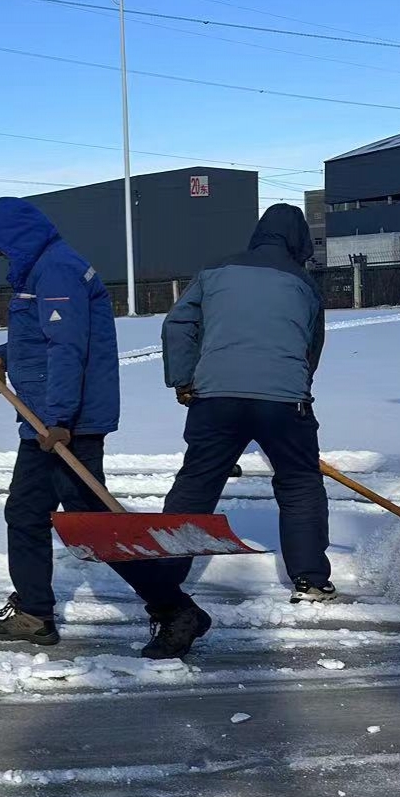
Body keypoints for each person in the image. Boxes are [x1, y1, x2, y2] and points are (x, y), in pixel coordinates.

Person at [0, 197, 198, 650]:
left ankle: (175, 609)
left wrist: (58, 419)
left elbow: (67, 347)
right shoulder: (46, 268)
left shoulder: (56, 270)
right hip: (49, 419)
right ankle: (36, 611)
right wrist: (2, 355)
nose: (0, 255)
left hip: (62, 423)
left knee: (90, 523)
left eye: (1, 246)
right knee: (35, 513)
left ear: (18, 238)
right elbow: (42, 336)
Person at [158, 203, 333, 626]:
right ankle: (310, 580)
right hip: (283, 402)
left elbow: (178, 324)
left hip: (215, 398)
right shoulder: (303, 282)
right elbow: (312, 345)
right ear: (300, 241)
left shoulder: (215, 270)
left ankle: (162, 575)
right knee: (300, 483)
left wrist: (183, 379)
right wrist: (296, 387)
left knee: (196, 484)